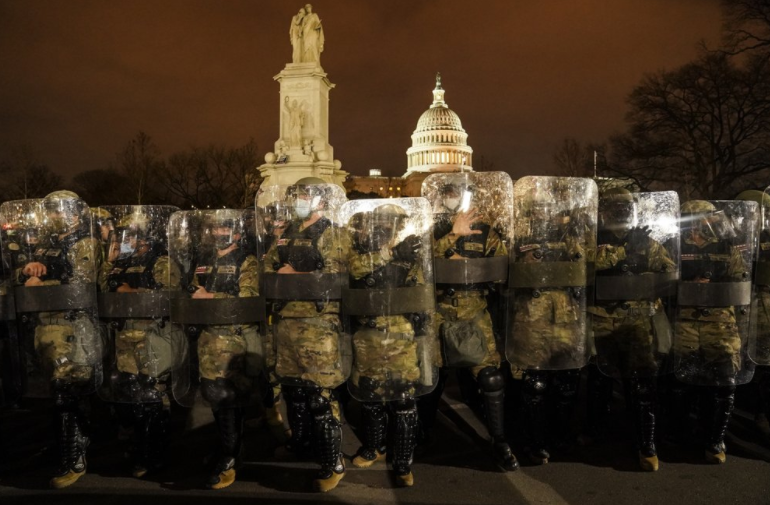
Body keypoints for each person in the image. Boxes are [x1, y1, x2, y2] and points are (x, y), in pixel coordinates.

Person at [423, 176, 518, 471]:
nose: (450, 197)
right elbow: (421, 263)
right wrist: (452, 236)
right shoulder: (432, 230)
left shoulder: (487, 233)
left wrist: (461, 260)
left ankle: (499, 439)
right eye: (446, 193)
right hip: (438, 312)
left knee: (490, 377)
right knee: (432, 378)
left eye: (455, 192)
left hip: (474, 311)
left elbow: (500, 269)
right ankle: (423, 433)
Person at [10, 190, 102, 488]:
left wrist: (41, 283)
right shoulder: (49, 245)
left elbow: (82, 285)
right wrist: (26, 270)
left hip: (72, 327)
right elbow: (15, 275)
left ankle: (73, 458)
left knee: (68, 392)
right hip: (45, 327)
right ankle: (68, 446)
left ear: (74, 214)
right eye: (50, 211)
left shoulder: (85, 242)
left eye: (57, 211)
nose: (52, 217)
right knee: (57, 394)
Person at [264, 177, 348, 492]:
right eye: (295, 195)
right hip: (286, 320)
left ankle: (332, 462)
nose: (296, 200)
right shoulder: (287, 233)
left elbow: (335, 278)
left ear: (319, 201)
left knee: (320, 396)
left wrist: (294, 275)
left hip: (317, 324)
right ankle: (301, 445)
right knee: (294, 392)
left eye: (301, 196)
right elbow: (268, 268)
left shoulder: (331, 233)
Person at [507, 177, 596, 465]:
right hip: (531, 318)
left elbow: (589, 264)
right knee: (535, 383)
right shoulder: (516, 238)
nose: (543, 215)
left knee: (567, 381)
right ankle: (536, 441)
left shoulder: (572, 237)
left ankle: (563, 436)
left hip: (566, 317)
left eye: (548, 210)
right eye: (537, 210)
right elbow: (502, 274)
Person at [345, 203, 435, 487]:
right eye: (381, 222)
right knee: (371, 396)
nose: (385, 227)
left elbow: (423, 290)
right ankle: (375, 447)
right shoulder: (361, 251)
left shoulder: (412, 256)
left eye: (391, 223)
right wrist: (391, 253)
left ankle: (404, 460)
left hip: (401, 336)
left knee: (404, 399)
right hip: (369, 334)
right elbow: (354, 270)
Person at [589, 188, 676, 471]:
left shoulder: (647, 243)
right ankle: (596, 435)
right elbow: (588, 266)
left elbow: (669, 274)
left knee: (641, 383)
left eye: (625, 208)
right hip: (601, 318)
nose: (621, 213)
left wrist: (643, 272)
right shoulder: (593, 240)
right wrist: (626, 253)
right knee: (600, 380)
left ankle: (646, 443)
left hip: (637, 320)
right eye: (615, 208)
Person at [98, 208, 182, 478]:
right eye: (122, 235)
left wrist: (131, 292)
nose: (124, 240)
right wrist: (109, 263)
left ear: (144, 237)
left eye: (129, 235)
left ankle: (153, 456)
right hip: (124, 337)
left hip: (151, 336)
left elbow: (171, 296)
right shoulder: (120, 261)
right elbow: (101, 287)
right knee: (131, 397)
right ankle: (138, 449)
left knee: (153, 395)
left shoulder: (161, 262)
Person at [671, 200, 755, 464]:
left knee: (723, 382)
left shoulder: (727, 248)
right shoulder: (675, 247)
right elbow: (661, 280)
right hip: (685, 321)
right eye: (692, 219)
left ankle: (715, 439)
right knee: (684, 382)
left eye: (704, 219)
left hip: (721, 322)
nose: (698, 225)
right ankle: (684, 435)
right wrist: (686, 284)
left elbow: (741, 278)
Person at [185, 209, 261, 489]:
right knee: (215, 399)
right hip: (208, 340)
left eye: (223, 229)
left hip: (233, 339)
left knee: (228, 397)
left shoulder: (246, 260)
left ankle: (230, 458)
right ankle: (231, 450)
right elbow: (193, 290)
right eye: (214, 229)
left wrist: (210, 296)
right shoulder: (204, 260)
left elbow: (249, 298)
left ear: (237, 233)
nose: (218, 233)